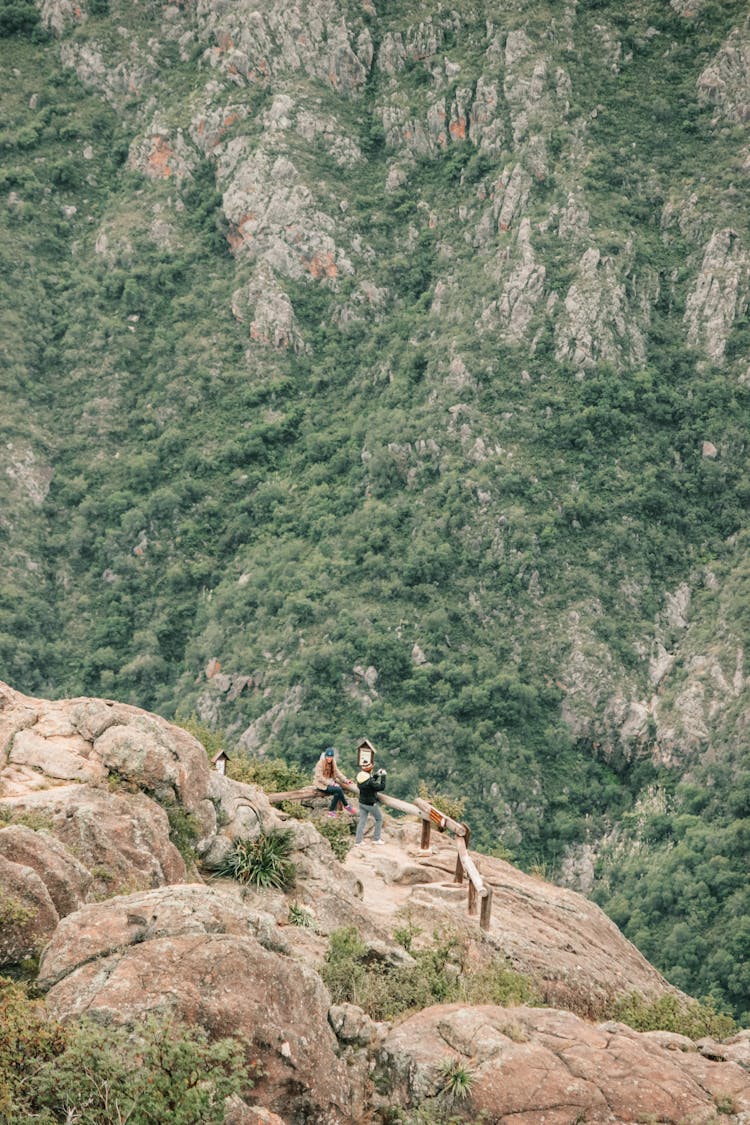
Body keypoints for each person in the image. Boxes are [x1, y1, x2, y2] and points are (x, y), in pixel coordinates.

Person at [313, 747, 356, 817]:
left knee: (337, 793)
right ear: (325, 756)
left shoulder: (333, 762)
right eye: (328, 756)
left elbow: (337, 772)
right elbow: (319, 777)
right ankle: (346, 805)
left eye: (331, 757)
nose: (329, 758)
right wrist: (332, 783)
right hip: (321, 784)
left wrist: (346, 780)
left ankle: (331, 811)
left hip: (330, 782)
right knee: (338, 789)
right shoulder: (320, 763)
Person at [355, 762, 386, 844]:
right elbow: (381, 787)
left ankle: (358, 841)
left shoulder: (360, 777)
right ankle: (376, 839)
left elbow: (370, 781)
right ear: (370, 770)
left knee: (362, 821)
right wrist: (383, 776)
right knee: (379, 819)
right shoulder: (370, 781)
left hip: (362, 802)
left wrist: (377, 775)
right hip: (370, 803)